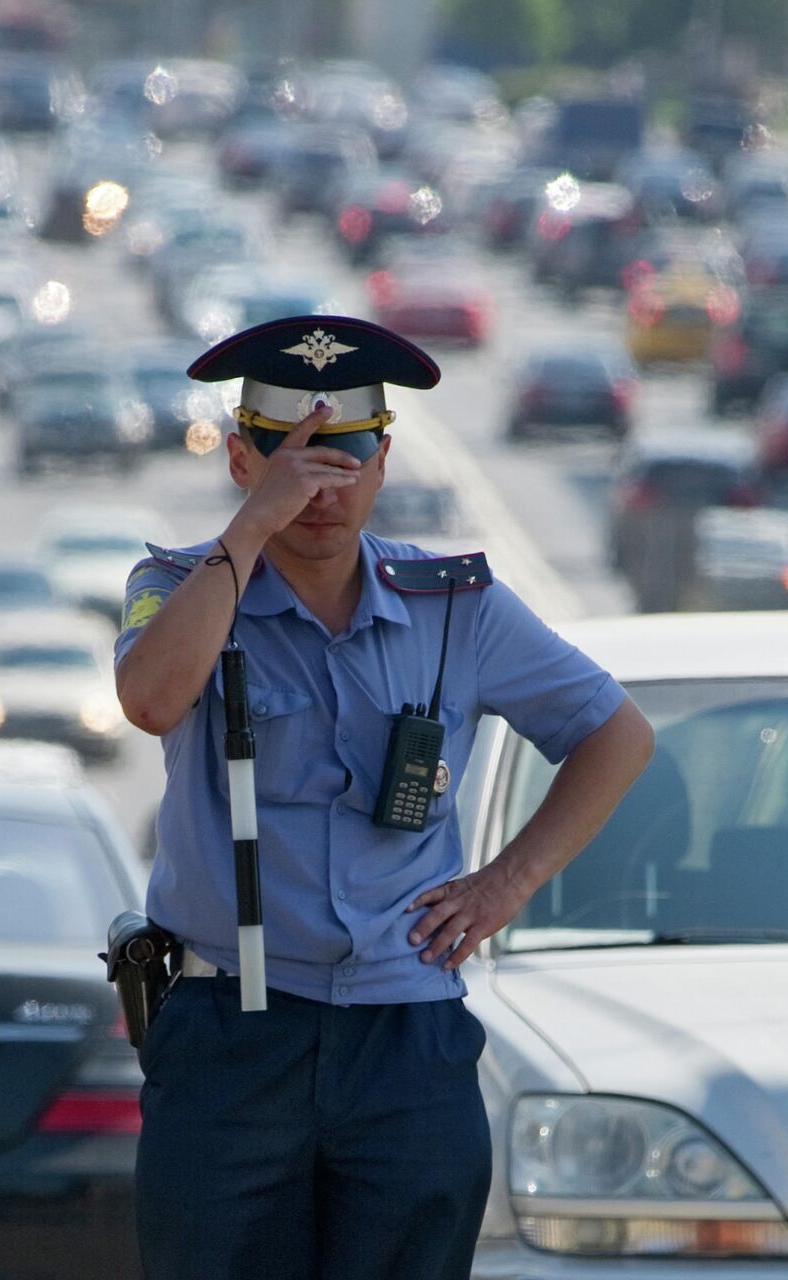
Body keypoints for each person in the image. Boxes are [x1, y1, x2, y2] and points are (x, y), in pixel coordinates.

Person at [114, 315, 654, 1280]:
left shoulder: (457, 607)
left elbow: (615, 734)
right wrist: (251, 531)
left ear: (383, 461)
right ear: (241, 458)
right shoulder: (178, 585)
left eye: (345, 459)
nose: (320, 489)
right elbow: (152, 699)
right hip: (231, 1034)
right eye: (291, 461)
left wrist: (505, 885)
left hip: (404, 1038)